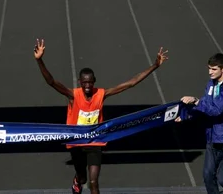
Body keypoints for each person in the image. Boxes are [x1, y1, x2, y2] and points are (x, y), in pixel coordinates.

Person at [33, 38, 168, 194]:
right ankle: (78, 180)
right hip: (76, 143)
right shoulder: (73, 95)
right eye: (84, 83)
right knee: (83, 179)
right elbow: (51, 82)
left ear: (94, 81)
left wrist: (155, 65)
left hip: (95, 142)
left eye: (90, 82)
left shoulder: (101, 94)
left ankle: (85, 182)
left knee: (93, 182)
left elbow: (131, 83)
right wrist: (40, 60)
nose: (88, 86)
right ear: (80, 82)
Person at [175, 53, 223, 194]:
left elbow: (216, 110)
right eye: (209, 68)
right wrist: (187, 115)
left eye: (214, 69)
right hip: (213, 136)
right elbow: (206, 105)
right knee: (208, 175)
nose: (210, 72)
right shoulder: (211, 84)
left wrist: (196, 101)